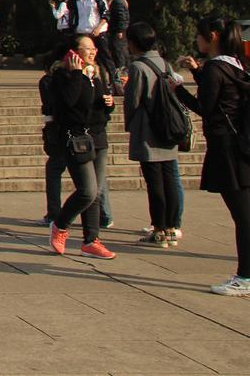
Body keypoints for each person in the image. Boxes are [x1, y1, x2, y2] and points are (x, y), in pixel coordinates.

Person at [174, 16, 250, 296]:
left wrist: (177, 90)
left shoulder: (216, 68)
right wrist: (198, 73)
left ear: (213, 36)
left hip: (226, 148)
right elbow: (223, 96)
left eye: (199, 34)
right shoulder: (238, 64)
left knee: (243, 216)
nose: (197, 39)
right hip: (242, 145)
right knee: (245, 213)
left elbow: (206, 107)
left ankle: (245, 277)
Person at [47, 37, 117, 261]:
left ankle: (91, 241)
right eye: (87, 48)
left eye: (94, 48)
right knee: (87, 190)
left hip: (98, 136)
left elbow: (98, 108)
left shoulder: (96, 72)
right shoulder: (62, 75)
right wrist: (77, 74)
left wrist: (109, 104)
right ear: (74, 52)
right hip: (76, 139)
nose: (92, 52)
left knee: (96, 192)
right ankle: (60, 225)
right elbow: (68, 103)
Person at [123, 22, 182, 247]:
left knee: (154, 183)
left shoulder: (138, 67)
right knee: (170, 180)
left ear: (133, 43)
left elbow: (133, 101)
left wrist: (130, 124)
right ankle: (172, 227)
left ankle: (159, 230)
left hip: (148, 131)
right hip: (168, 128)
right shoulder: (165, 63)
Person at [38, 57, 67, 226]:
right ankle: (104, 214)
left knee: (54, 169)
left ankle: (54, 215)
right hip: (82, 134)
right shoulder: (85, 78)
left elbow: (49, 106)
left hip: (61, 133)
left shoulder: (48, 82)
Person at [104, 0, 131, 90]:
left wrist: (120, 30)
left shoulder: (117, 2)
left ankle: (120, 83)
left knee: (119, 58)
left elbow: (122, 17)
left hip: (117, 34)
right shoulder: (121, 1)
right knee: (121, 57)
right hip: (119, 33)